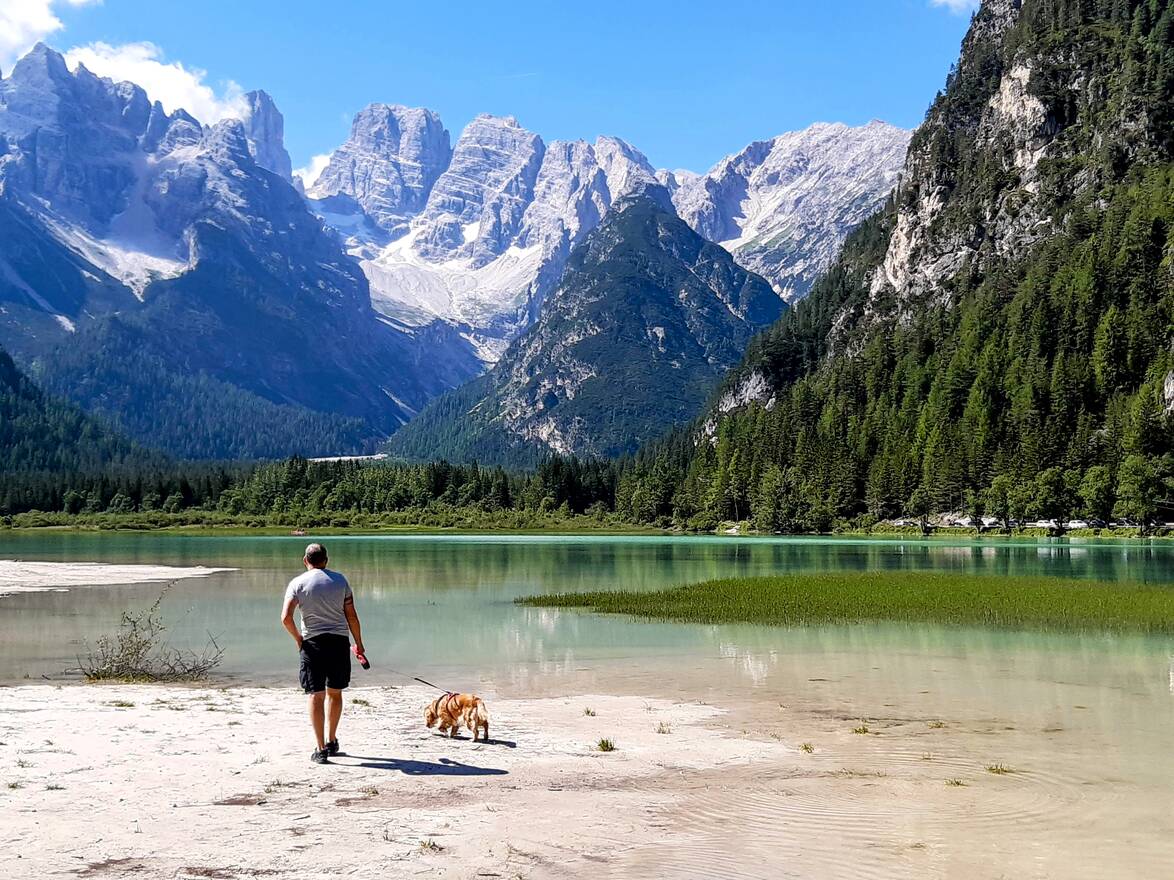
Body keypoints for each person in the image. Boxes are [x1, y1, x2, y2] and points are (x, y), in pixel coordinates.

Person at [280, 542, 365, 764]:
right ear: (326, 560)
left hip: (312, 644)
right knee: (335, 693)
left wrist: (299, 639)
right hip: (338, 643)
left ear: (305, 560)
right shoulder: (340, 581)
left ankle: (320, 749)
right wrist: (359, 644)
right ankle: (332, 739)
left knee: (315, 695)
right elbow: (352, 616)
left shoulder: (297, 584)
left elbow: (286, 618)